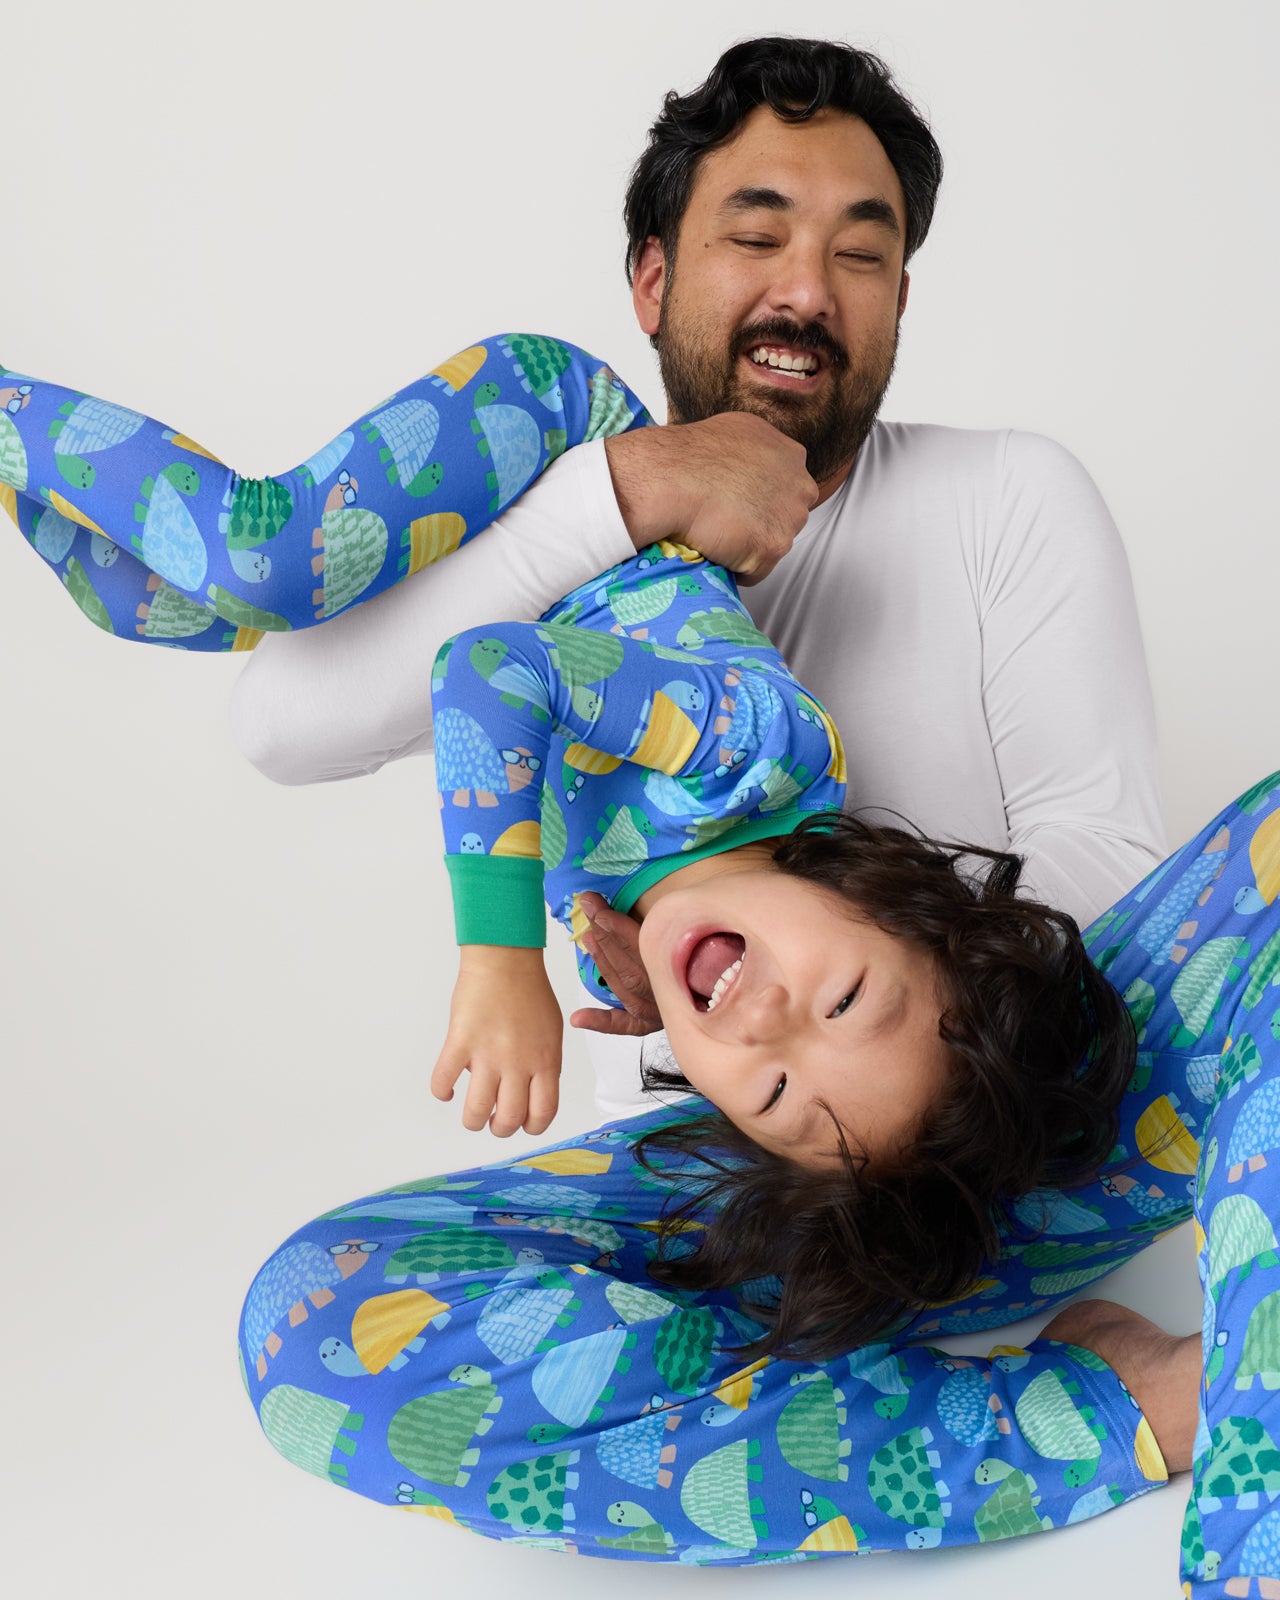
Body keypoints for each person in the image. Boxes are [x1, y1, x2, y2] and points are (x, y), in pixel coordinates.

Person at [227, 38, 1167, 1124]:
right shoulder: (561, 507)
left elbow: (1111, 872)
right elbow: (280, 728)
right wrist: (627, 491)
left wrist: (763, 928)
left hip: (948, 1147)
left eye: (860, 257)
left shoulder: (1006, 494)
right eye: (756, 237)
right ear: (652, 279)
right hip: (686, 1153)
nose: (807, 292)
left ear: (899, 299)